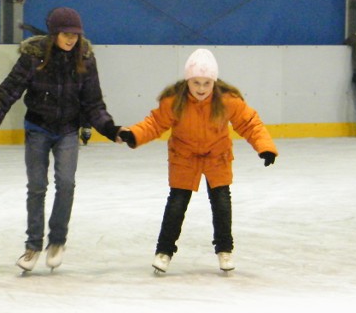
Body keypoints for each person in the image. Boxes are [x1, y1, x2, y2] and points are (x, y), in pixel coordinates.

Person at [0, 7, 122, 272]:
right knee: (37, 186)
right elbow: (7, 93)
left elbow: (93, 102)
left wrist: (110, 130)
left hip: (67, 131)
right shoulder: (34, 57)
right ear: (54, 34)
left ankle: (57, 241)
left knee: (65, 183)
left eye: (75, 34)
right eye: (65, 34)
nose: (71, 39)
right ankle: (32, 246)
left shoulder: (85, 59)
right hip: (38, 128)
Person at [118, 48, 278, 273]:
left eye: (206, 83)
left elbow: (250, 123)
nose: (201, 89)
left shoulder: (227, 100)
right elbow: (154, 124)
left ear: (214, 82)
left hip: (217, 156)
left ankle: (225, 251)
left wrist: (265, 147)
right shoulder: (175, 101)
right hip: (184, 157)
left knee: (222, 204)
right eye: (196, 83)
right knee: (176, 204)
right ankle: (164, 252)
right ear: (187, 81)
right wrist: (134, 134)